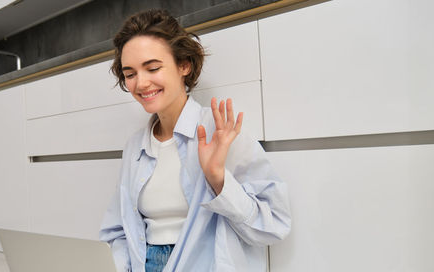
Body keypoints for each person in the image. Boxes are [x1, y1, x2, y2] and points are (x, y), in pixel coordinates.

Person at [99, 9, 291, 272]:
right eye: (130, 74)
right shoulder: (135, 146)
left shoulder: (220, 132)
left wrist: (218, 180)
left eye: (153, 68)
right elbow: (116, 230)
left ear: (184, 66)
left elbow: (274, 225)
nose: (141, 83)